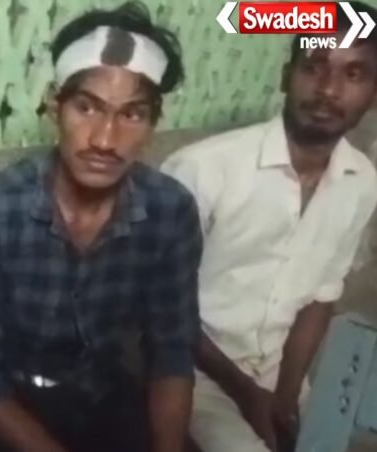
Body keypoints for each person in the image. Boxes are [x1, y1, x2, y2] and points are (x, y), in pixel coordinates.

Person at [0, 3, 201, 452]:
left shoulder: (170, 211)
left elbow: (171, 351)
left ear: (153, 123)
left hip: (110, 402)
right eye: (87, 107)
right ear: (55, 106)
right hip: (8, 414)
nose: (104, 140)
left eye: (131, 114)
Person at [160, 3, 377, 451]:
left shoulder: (363, 182)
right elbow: (158, 309)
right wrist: (246, 393)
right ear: (285, 76)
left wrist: (287, 395)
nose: (328, 89)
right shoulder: (203, 170)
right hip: (191, 372)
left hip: (280, 375)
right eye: (313, 67)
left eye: (353, 74)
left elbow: (321, 297)